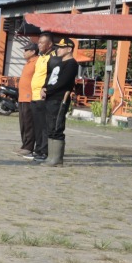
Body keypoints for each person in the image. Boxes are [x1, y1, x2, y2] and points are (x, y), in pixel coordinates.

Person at [40, 38, 80, 167]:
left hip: (59, 99)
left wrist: (49, 90)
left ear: (69, 49)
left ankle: (56, 158)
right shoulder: (58, 63)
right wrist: (44, 87)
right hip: (50, 98)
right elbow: (50, 78)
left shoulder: (71, 64)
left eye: (62, 48)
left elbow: (63, 82)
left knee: (57, 126)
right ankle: (51, 156)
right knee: (50, 127)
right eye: (58, 47)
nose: (58, 50)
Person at [26, 34, 56, 162]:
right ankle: (37, 149)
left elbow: (52, 77)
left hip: (43, 97)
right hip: (34, 96)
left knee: (44, 126)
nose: (39, 45)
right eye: (38, 43)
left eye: (42, 43)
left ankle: (44, 151)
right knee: (37, 126)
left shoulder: (53, 58)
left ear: (49, 44)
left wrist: (47, 90)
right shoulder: (40, 58)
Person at [13, 41, 39, 158]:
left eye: (26, 50)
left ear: (33, 52)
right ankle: (24, 145)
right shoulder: (28, 63)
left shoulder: (37, 62)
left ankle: (29, 147)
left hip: (30, 97)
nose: (24, 53)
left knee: (29, 123)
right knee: (23, 123)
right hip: (22, 97)